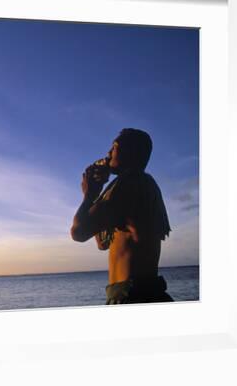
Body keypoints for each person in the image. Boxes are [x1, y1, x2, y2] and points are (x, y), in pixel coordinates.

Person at [70, 128, 173, 305]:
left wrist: (88, 197)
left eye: (114, 147)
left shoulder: (130, 182)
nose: (108, 153)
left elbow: (79, 233)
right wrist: (98, 192)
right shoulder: (142, 184)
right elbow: (103, 244)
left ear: (130, 153)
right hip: (136, 291)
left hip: (132, 295)